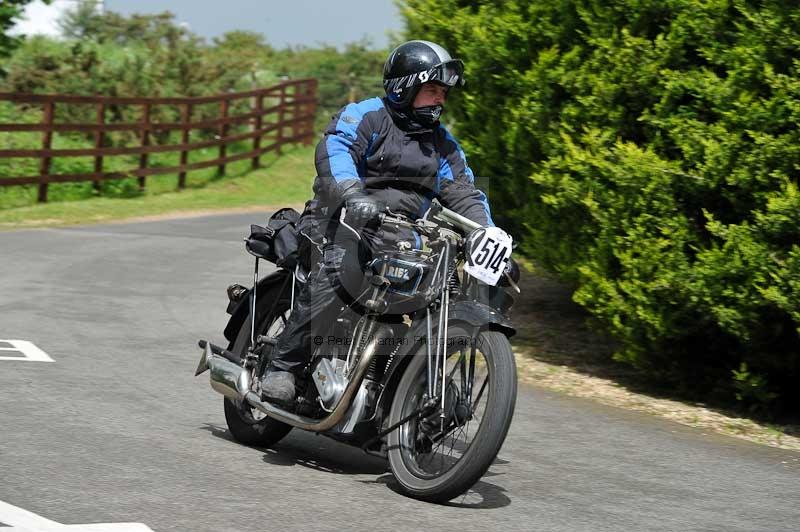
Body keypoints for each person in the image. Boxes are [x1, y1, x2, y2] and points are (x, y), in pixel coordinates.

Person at [261, 40, 495, 404]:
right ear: (406, 87)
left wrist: (486, 233)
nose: (440, 100)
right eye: (432, 90)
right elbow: (335, 153)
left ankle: (404, 386)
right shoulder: (365, 116)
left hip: (399, 236)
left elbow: (464, 192)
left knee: (441, 290)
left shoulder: (443, 145)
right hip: (338, 220)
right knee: (338, 271)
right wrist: (353, 195)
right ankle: (284, 366)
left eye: (443, 93)